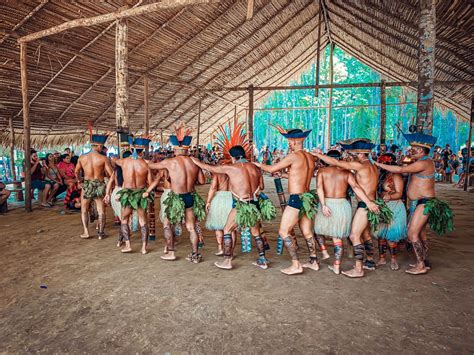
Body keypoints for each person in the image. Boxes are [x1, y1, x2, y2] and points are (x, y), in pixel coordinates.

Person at [191, 122, 274, 270]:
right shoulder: (255, 167)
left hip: (241, 205)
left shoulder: (231, 168)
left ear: (232, 156)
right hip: (253, 204)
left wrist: (195, 161)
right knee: (256, 232)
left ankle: (227, 261)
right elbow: (261, 187)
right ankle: (263, 260)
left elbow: (209, 168)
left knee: (227, 229)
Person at [376, 131, 453, 275]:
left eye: (415, 150)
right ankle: (425, 261)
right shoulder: (419, 162)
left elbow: (401, 169)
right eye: (411, 149)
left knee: (412, 233)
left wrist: (378, 163)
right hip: (417, 202)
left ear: (423, 151)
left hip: (424, 202)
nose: (411, 151)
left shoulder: (424, 162)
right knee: (421, 233)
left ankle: (420, 264)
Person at [254, 125, 320, 275]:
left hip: (296, 199)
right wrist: (284, 176)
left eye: (290, 141)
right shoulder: (310, 157)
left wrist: (257, 164)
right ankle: (313, 261)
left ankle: (296, 264)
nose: (288, 143)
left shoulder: (293, 156)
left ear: (296, 141)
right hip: (307, 198)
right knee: (307, 232)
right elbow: (299, 175)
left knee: (284, 231)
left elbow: (271, 169)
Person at [312, 138, 380, 278]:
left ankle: (359, 269)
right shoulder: (372, 166)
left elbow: (337, 164)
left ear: (362, 154)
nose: (352, 158)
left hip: (366, 204)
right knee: (365, 234)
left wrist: (318, 155)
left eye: (354, 155)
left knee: (354, 235)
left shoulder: (361, 166)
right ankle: (370, 262)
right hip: (370, 202)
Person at [145, 123, 206, 263]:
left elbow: (151, 165)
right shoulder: (194, 161)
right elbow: (202, 181)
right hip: (189, 196)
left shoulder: (170, 162)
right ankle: (195, 255)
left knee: (167, 224)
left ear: (175, 148)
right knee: (191, 227)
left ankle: (171, 252)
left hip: (176, 196)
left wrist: (137, 160)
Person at [105, 137, 152, 254]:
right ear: (143, 151)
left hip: (128, 194)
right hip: (141, 193)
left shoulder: (124, 162)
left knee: (124, 219)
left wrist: (115, 158)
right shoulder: (146, 165)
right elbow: (151, 183)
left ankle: (128, 245)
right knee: (143, 221)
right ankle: (144, 248)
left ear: (132, 149)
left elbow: (114, 160)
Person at [75, 133, 113, 240]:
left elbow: (76, 171)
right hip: (99, 185)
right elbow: (111, 174)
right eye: (101, 146)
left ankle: (86, 232)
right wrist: (110, 185)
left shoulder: (82, 158)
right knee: (101, 210)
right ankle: (100, 233)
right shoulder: (103, 158)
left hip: (87, 185)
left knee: (84, 208)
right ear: (99, 146)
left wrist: (79, 181)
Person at [375, 153, 407, 271]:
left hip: (395, 206)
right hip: (383, 206)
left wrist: (390, 196)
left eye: (383, 162)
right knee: (381, 234)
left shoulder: (396, 176)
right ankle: (382, 258)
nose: (381, 165)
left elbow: (399, 193)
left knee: (391, 236)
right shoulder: (381, 175)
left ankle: (393, 259)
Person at [205, 171, 233, 256]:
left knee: (218, 226)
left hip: (219, 199)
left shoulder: (217, 174)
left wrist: (208, 201)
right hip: (231, 199)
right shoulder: (232, 173)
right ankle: (230, 250)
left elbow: (213, 188)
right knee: (230, 227)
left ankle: (220, 248)